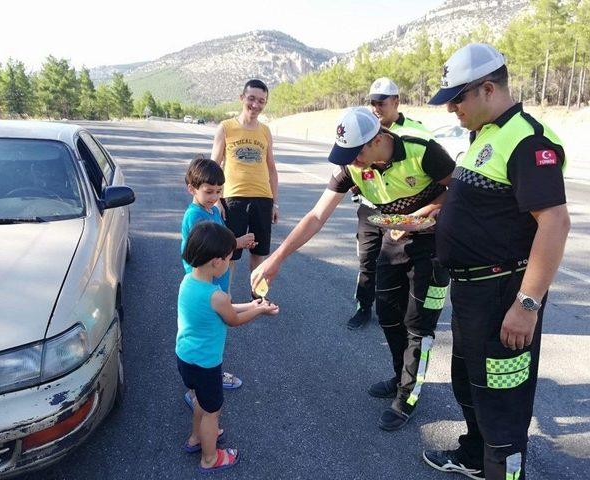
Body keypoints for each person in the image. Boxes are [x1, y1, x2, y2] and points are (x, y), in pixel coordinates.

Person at [251, 107, 455, 431]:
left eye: (355, 153)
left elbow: (458, 189)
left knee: (419, 325)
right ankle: (401, 375)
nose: (351, 161)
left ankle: (408, 395)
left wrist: (422, 215)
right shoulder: (352, 167)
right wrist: (276, 259)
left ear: (377, 139)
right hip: (395, 238)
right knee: (388, 315)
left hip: (434, 247)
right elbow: (316, 216)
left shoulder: (423, 151)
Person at [421, 43, 570, 480]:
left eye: (456, 98)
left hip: (504, 293)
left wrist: (527, 306)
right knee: (470, 383)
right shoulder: (485, 132)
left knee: (502, 399)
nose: (450, 108)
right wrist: (434, 220)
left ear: (488, 88)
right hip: (472, 293)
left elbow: (555, 223)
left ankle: (503, 471)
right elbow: (484, 206)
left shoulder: (528, 139)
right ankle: (474, 454)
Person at [177, 221, 279, 473]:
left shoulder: (189, 281)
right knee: (213, 411)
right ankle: (210, 458)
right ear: (216, 262)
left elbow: (228, 307)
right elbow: (232, 319)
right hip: (206, 363)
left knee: (202, 401)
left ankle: (196, 438)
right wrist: (259, 313)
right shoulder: (216, 296)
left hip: (186, 358)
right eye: (228, 258)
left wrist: (255, 305)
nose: (230, 262)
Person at [347, 77, 433, 330]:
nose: (375, 107)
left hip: (403, 213)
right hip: (371, 208)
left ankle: (406, 314)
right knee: (367, 259)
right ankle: (364, 306)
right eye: (372, 102)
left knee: (400, 264)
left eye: (381, 102)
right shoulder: (363, 132)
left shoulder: (417, 133)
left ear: (396, 101)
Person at [181, 155, 256, 394]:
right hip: (206, 284)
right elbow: (207, 248)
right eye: (209, 192)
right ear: (192, 189)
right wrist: (237, 242)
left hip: (218, 282)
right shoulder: (195, 215)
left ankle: (211, 373)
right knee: (205, 334)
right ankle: (197, 388)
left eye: (219, 192)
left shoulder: (212, 209)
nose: (215, 197)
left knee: (215, 335)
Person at [211, 79, 279, 291]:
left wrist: (274, 203)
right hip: (233, 199)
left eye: (261, 101)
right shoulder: (226, 128)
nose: (256, 105)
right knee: (229, 253)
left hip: (262, 199)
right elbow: (214, 166)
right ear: (242, 98)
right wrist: (216, 200)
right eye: (251, 99)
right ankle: (224, 297)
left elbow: (272, 169)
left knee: (259, 254)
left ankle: (258, 297)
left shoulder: (265, 131)